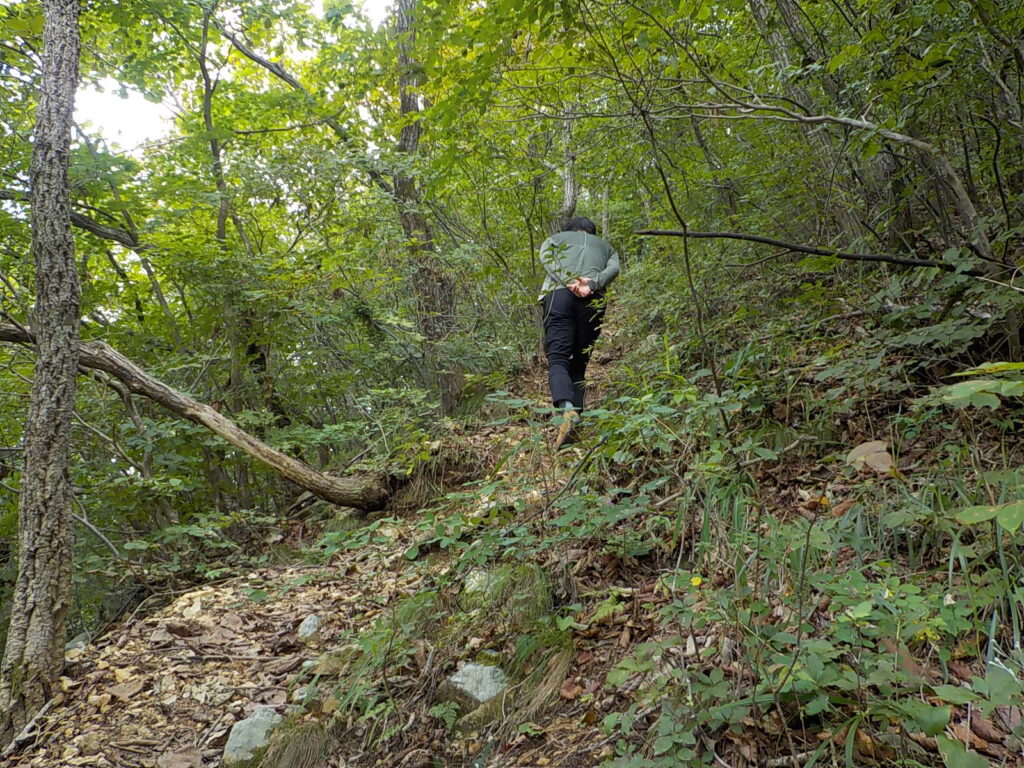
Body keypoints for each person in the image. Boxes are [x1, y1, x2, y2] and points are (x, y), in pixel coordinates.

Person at [538, 216, 620, 448]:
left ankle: (566, 411)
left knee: (558, 358)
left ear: (569, 230)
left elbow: (546, 258)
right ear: (591, 232)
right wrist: (591, 283)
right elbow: (614, 268)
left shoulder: (554, 239)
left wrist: (569, 281)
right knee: (580, 361)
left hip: (559, 295)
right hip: (593, 300)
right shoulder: (606, 247)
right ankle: (576, 418)